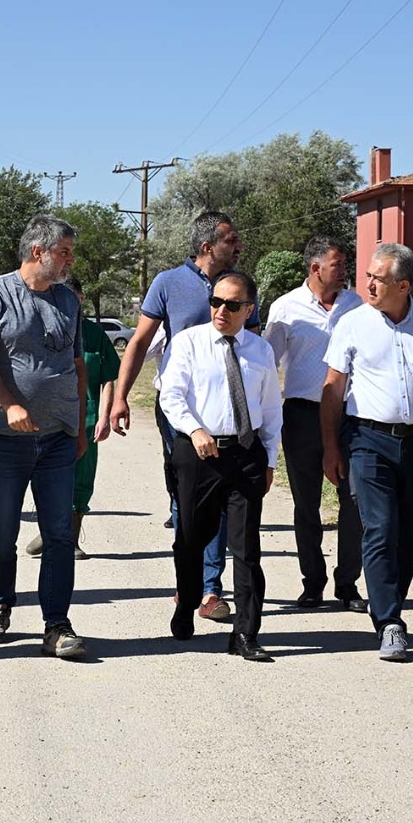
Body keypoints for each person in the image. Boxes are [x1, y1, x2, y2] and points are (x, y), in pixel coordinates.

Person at [320, 242, 413, 662]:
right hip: (367, 440)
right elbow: (332, 390)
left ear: (404, 285)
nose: (367, 283)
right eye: (367, 275)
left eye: (378, 278)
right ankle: (389, 621)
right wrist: (331, 446)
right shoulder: (352, 324)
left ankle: (386, 599)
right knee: (380, 527)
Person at [108, 211, 253, 622]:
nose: (238, 247)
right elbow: (138, 343)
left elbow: (252, 346)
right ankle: (188, 577)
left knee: (220, 495)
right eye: (232, 240)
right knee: (186, 497)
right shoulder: (168, 283)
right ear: (208, 246)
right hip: (177, 410)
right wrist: (120, 397)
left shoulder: (237, 286)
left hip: (226, 413)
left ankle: (208, 589)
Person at [0, 214, 90, 660]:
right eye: (65, 252)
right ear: (38, 251)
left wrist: (80, 425)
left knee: (58, 533)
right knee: (2, 530)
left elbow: (77, 366)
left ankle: (56, 623)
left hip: (57, 437)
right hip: (4, 437)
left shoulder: (68, 301)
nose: (70, 260)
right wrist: (10, 404)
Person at [161, 272, 281, 662]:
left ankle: (245, 633)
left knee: (247, 549)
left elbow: (270, 410)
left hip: (245, 455)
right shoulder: (189, 343)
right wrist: (195, 430)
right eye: (216, 302)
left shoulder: (261, 351)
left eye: (231, 305)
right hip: (198, 454)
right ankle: (188, 601)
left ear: (249, 309)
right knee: (191, 539)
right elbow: (172, 395)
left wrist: (269, 459)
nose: (221, 311)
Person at [262, 236, 366, 612]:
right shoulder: (285, 308)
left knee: (353, 501)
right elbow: (266, 363)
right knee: (306, 503)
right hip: (302, 415)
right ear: (315, 267)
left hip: (350, 415)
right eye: (338, 264)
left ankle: (348, 584)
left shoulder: (357, 306)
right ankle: (313, 583)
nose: (345, 271)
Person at [27, 276, 119, 560]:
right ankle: (50, 529)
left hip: (87, 420)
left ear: (80, 299)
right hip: (49, 419)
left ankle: (70, 539)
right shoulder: (41, 330)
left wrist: (105, 416)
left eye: (74, 297)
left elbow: (108, 378)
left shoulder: (94, 334)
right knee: (47, 477)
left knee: (81, 480)